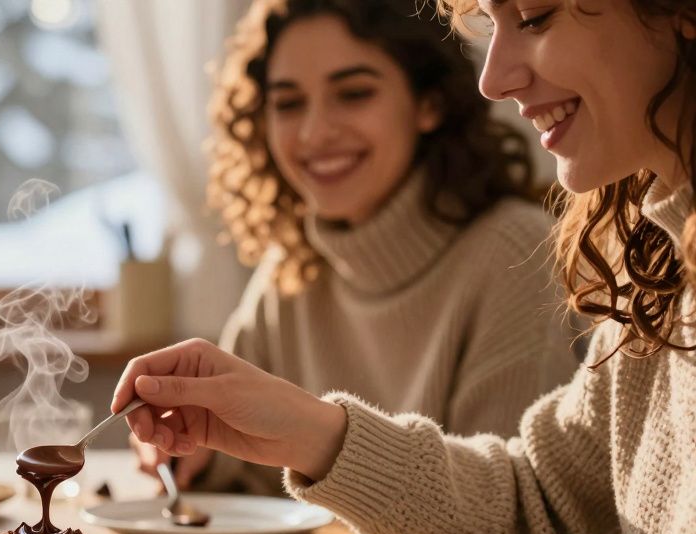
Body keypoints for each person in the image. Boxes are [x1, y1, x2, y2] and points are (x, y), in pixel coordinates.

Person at [114, 0, 696, 534]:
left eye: (536, 17)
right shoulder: (655, 269)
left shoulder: (516, 253)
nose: (494, 79)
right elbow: (540, 504)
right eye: (493, 25)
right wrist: (312, 433)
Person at [136, 0, 581, 493]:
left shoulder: (518, 252)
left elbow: (506, 508)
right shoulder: (294, 268)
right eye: (288, 104)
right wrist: (188, 448)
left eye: (353, 94)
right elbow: (242, 470)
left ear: (430, 104)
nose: (314, 133)